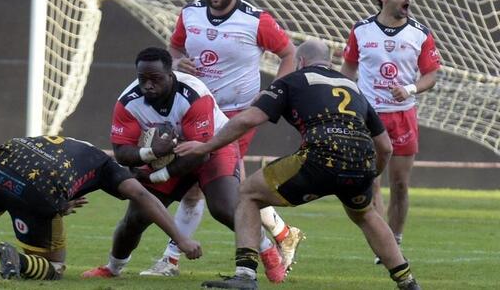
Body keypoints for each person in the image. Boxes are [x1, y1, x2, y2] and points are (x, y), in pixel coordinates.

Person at [177, 39, 421, 290]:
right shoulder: (354, 87)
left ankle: (245, 276)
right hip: (360, 160)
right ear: (329, 62)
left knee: (248, 193)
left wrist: (206, 146)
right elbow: (386, 147)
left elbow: (249, 119)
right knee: (366, 214)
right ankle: (408, 282)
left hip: (321, 156)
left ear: (300, 62)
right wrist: (371, 174)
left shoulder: (292, 80)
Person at [141, 0, 303, 278]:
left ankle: (172, 260)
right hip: (193, 112)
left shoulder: (256, 20)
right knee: (219, 190)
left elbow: (290, 54)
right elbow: (172, 50)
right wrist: (176, 63)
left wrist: (273, 94)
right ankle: (283, 234)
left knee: (215, 190)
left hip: (235, 116)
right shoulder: (189, 14)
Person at [81, 47, 288, 283]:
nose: (148, 85)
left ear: (171, 75)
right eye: (143, 79)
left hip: (212, 147)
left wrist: (155, 176)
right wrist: (150, 152)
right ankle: (113, 267)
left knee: (225, 208)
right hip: (173, 155)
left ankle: (267, 249)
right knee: (136, 218)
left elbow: (200, 155)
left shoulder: (193, 94)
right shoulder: (128, 102)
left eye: (155, 79)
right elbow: (121, 152)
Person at [0, 136, 202, 280]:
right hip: (39, 187)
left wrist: (60, 200)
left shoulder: (80, 144)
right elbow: (143, 197)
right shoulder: (113, 169)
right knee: (55, 268)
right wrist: (182, 238)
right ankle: (19, 263)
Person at [340, 0, 440, 264]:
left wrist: (409, 88)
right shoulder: (361, 30)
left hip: (403, 116)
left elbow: (432, 75)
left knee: (400, 184)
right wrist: (344, 103)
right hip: (368, 115)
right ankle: (385, 246)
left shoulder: (420, 34)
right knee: (371, 181)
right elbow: (348, 70)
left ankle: (395, 239)